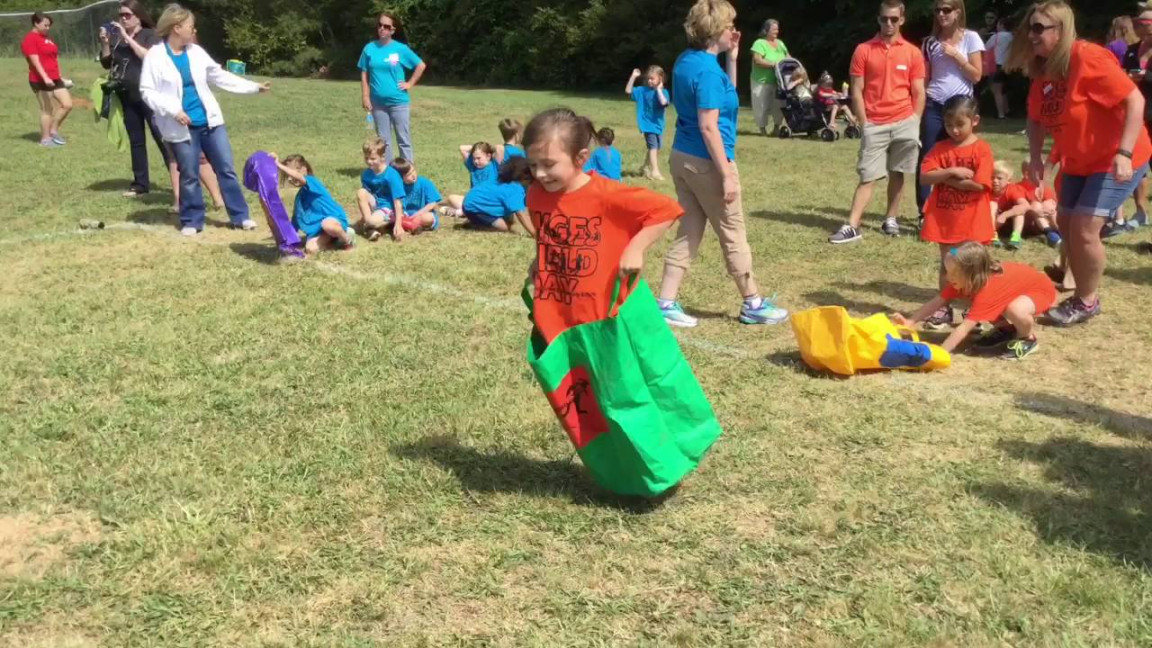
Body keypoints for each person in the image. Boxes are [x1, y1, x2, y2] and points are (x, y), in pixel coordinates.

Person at [1007, 0, 1152, 326]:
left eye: (1039, 28)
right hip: (1078, 159)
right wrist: (1034, 157)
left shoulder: (1087, 57)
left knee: (1086, 228)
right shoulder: (1044, 70)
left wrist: (1124, 153)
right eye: (1029, 27)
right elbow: (1035, 119)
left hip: (1117, 156)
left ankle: (1086, 300)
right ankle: (1079, 290)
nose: (1031, 35)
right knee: (1067, 223)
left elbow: (1135, 100)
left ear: (1061, 30)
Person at [657, 0, 787, 328]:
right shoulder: (707, 72)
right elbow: (709, 125)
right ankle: (753, 303)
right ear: (716, 30)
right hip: (708, 161)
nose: (735, 31)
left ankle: (666, 302)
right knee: (733, 232)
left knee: (689, 230)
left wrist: (732, 59)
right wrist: (727, 174)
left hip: (682, 158)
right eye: (730, 26)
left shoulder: (687, 61)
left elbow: (724, 94)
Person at [522, 108, 684, 343]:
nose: (540, 173)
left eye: (548, 164)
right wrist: (540, 261)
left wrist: (635, 248)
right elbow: (545, 238)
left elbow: (666, 209)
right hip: (556, 310)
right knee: (567, 377)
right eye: (533, 164)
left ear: (581, 158)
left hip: (601, 316)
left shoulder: (605, 194)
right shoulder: (536, 195)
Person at [140, 4, 270, 237]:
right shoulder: (155, 56)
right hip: (182, 126)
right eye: (191, 26)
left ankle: (240, 216)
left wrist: (252, 87)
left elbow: (218, 76)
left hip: (211, 123)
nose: (194, 30)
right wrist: (173, 110)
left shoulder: (196, 52)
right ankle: (192, 219)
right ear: (177, 27)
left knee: (226, 170)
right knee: (189, 173)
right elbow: (147, 91)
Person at [829, 0, 926, 244]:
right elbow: (857, 91)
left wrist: (915, 120)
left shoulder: (913, 52)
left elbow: (919, 91)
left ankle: (890, 219)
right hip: (875, 122)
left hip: (905, 120)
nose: (889, 23)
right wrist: (864, 123)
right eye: (884, 19)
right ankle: (852, 225)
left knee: (899, 171)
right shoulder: (863, 50)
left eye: (894, 19)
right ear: (878, 19)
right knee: (868, 175)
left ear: (902, 19)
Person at [893, 242, 1057, 360]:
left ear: (971, 273)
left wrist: (940, 352)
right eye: (947, 272)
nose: (948, 278)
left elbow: (964, 328)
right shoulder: (967, 281)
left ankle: (1028, 339)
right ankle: (1007, 329)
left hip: (1040, 291)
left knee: (1015, 310)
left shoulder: (987, 290)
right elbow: (936, 302)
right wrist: (910, 321)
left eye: (953, 273)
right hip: (1014, 290)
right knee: (987, 304)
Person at [919, 95, 995, 330]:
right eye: (948, 124)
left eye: (959, 124)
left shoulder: (982, 149)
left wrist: (945, 179)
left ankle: (978, 309)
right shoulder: (940, 148)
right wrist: (951, 171)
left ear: (975, 120)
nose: (953, 130)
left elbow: (980, 185)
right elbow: (924, 176)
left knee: (976, 266)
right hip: (947, 223)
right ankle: (944, 309)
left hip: (973, 222)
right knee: (948, 264)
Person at [916, 0, 984, 221]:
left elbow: (976, 75)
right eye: (937, 10)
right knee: (928, 156)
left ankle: (958, 208)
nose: (941, 14)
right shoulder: (929, 43)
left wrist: (957, 56)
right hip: (934, 104)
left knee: (962, 157)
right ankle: (924, 212)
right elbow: (925, 78)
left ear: (958, 12)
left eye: (946, 10)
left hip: (961, 106)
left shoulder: (971, 37)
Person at [100, 1, 175, 198]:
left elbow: (150, 58)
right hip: (127, 94)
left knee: (162, 139)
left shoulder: (150, 36)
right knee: (136, 141)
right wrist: (106, 43)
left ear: (138, 15)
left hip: (150, 97)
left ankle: (180, 182)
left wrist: (127, 38)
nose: (123, 19)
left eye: (127, 15)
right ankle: (140, 184)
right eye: (121, 15)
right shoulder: (117, 37)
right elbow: (107, 63)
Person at [359, 12, 426, 163]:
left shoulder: (400, 49)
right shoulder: (369, 48)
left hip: (399, 102)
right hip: (378, 104)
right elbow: (364, 73)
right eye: (380, 25)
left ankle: (408, 172)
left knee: (403, 139)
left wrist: (410, 83)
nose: (382, 28)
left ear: (393, 30)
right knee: (383, 142)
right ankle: (388, 172)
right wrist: (365, 96)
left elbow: (420, 65)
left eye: (386, 26)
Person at [271, 153, 353, 254]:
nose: (289, 178)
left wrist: (278, 164)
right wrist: (287, 239)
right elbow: (295, 222)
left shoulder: (312, 181)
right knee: (310, 249)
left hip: (333, 220)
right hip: (319, 229)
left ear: (304, 169)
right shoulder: (299, 198)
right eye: (288, 175)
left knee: (328, 225)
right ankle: (335, 240)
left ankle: (347, 239)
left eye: (293, 172)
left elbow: (299, 177)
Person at [439, 158, 534, 233]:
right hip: (474, 209)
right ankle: (475, 224)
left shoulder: (502, 179)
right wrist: (534, 233)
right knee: (506, 227)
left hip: (470, 202)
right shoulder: (515, 189)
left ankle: (466, 215)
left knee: (508, 221)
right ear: (524, 178)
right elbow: (521, 214)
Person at [21, 12, 72, 148]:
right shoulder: (30, 39)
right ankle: (44, 140)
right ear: (36, 23)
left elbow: (54, 59)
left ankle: (53, 131)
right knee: (47, 109)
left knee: (67, 104)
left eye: (49, 25)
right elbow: (35, 61)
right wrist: (45, 77)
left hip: (55, 78)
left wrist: (60, 77)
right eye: (45, 25)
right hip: (40, 79)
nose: (48, 28)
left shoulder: (46, 38)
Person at [992, 160, 1061, 249]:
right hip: (1026, 221)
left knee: (1050, 205)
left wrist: (1049, 206)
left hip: (1039, 220)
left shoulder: (1043, 188)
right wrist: (1036, 209)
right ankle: (1050, 233)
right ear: (1027, 174)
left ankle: (1061, 233)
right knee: (1034, 206)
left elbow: (1054, 204)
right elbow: (1026, 207)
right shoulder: (1019, 187)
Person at [357, 137, 409, 242]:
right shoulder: (366, 174)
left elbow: (398, 200)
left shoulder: (391, 175)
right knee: (361, 192)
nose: (369, 162)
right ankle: (370, 225)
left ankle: (371, 226)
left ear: (382, 157)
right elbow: (367, 195)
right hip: (377, 205)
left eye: (373, 159)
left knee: (370, 222)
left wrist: (398, 225)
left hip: (390, 207)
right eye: (366, 158)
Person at [625, 66, 671, 180]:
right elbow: (628, 91)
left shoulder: (663, 92)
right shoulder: (642, 90)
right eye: (649, 78)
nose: (650, 81)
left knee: (656, 148)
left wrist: (659, 89)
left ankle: (645, 166)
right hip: (646, 124)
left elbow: (664, 103)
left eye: (653, 78)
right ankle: (655, 171)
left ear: (660, 78)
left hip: (658, 124)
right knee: (653, 147)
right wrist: (633, 77)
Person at [749, 19, 789, 136]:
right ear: (766, 30)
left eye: (777, 29)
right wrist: (774, 64)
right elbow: (757, 60)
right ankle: (762, 130)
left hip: (778, 81)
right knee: (761, 106)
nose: (777, 31)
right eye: (774, 29)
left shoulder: (780, 43)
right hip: (761, 81)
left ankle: (776, 127)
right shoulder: (759, 43)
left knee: (779, 105)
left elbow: (788, 57)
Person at [395, 158, 443, 229]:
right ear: (400, 178)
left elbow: (432, 204)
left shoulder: (425, 182)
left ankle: (410, 225)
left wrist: (416, 215)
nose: (413, 175)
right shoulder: (398, 187)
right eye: (409, 174)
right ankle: (411, 225)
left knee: (429, 218)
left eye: (413, 171)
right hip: (405, 214)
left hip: (422, 213)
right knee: (390, 217)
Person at [985, 17, 1015, 119]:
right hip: (1008, 65)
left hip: (997, 65)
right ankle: (1007, 110)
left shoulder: (996, 37)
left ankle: (1000, 114)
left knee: (997, 91)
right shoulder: (1012, 36)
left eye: (998, 24)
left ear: (1002, 25)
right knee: (1004, 91)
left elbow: (985, 47)